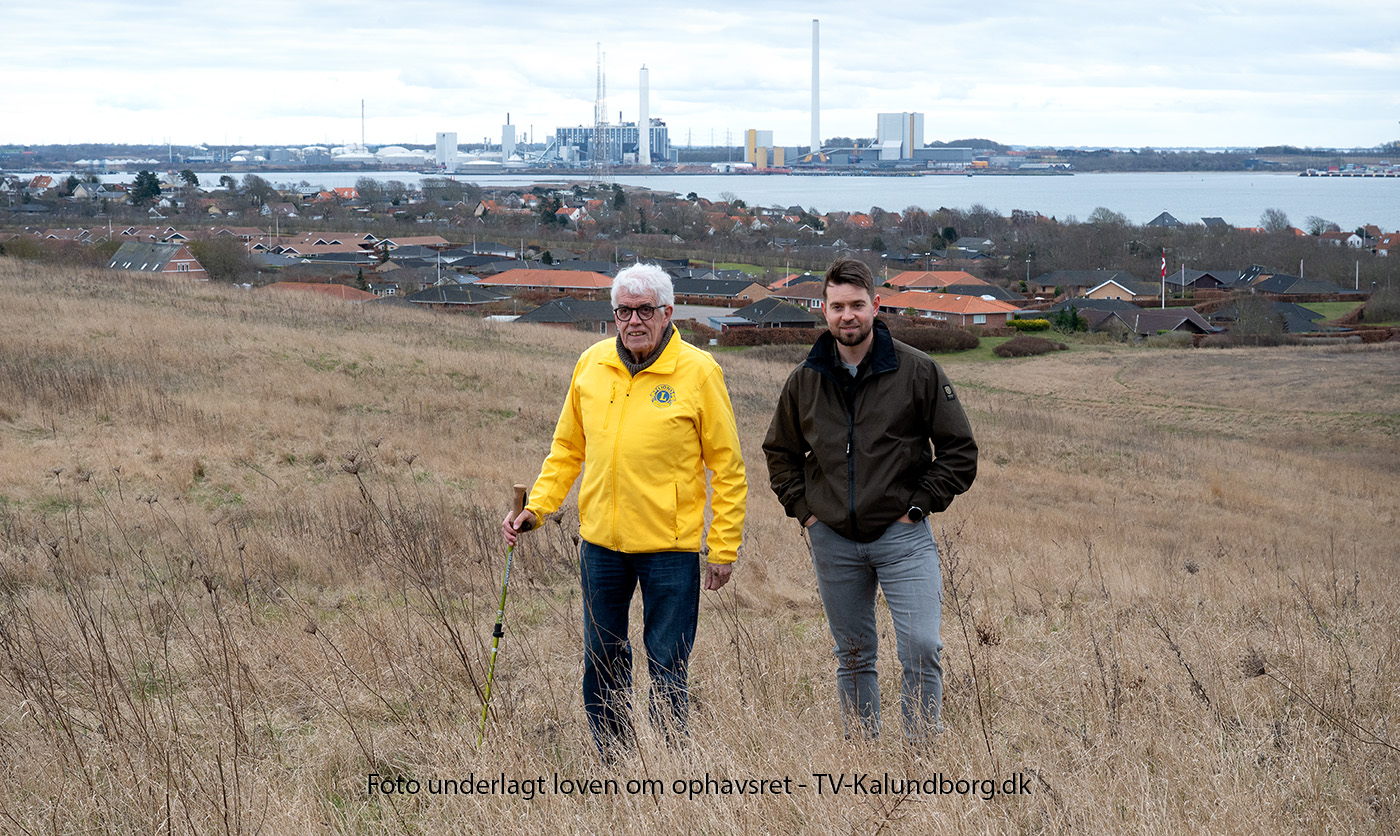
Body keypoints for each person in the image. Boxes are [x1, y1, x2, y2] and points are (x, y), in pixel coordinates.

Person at [502, 262, 746, 760]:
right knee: (602, 657)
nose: (633, 321)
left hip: (669, 549)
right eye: (623, 311)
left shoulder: (699, 372)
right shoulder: (591, 365)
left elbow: (728, 468)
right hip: (601, 546)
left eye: (644, 310)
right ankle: (614, 761)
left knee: (667, 662)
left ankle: (671, 762)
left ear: (668, 313)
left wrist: (722, 547)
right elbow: (567, 450)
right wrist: (539, 508)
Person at [762, 257, 977, 742]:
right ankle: (863, 758)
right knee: (854, 654)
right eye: (837, 306)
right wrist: (807, 513)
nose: (848, 316)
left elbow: (960, 453)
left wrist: (919, 505)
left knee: (921, 646)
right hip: (833, 541)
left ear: (875, 305)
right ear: (823, 310)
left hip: (902, 538)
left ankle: (922, 759)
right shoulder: (804, 380)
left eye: (857, 305)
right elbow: (780, 453)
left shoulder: (918, 371)